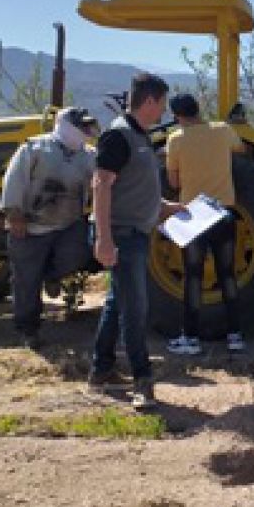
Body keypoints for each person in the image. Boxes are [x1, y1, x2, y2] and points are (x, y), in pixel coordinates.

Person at [90, 72, 182, 408]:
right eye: (162, 104)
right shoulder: (119, 135)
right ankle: (142, 381)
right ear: (150, 101)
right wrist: (103, 238)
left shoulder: (140, 137)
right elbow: (101, 185)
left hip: (135, 234)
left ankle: (101, 372)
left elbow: (134, 190)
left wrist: (168, 208)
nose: (163, 112)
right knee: (135, 310)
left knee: (117, 305)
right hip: (121, 236)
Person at [0, 106, 98, 350]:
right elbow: (14, 180)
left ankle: (51, 275)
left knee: (79, 253)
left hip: (68, 225)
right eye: (80, 125)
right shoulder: (34, 148)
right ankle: (28, 329)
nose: (85, 131)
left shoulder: (88, 156)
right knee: (25, 281)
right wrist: (14, 215)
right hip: (31, 226)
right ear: (65, 124)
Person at [164, 93, 247, 355]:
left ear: (177, 115)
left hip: (195, 217)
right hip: (222, 213)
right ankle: (235, 335)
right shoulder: (223, 131)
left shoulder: (175, 139)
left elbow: (174, 184)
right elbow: (241, 149)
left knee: (193, 276)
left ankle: (190, 338)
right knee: (227, 274)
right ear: (199, 109)